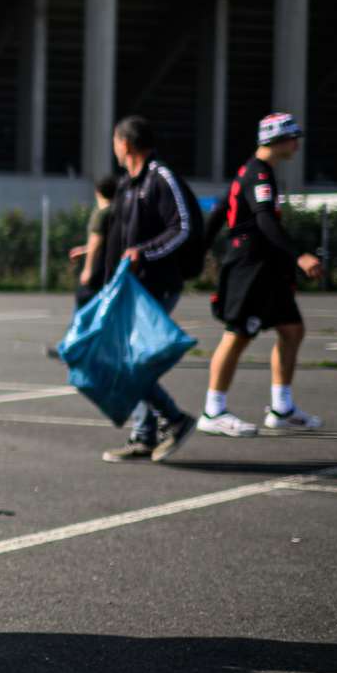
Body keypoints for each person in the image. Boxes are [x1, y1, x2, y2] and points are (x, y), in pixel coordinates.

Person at [199, 113, 326, 437]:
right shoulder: (258, 174)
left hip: (266, 269)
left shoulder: (251, 171)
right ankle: (212, 410)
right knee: (238, 334)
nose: (297, 144)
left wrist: (197, 250)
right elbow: (265, 220)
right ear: (277, 140)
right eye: (293, 137)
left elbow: (217, 213)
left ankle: (282, 409)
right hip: (250, 267)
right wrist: (299, 255)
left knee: (292, 330)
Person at [99, 116, 198, 464]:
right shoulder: (127, 183)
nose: (113, 148)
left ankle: (174, 419)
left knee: (131, 364)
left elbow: (183, 226)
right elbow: (121, 235)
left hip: (157, 285)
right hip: (128, 288)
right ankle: (144, 434)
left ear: (126, 144)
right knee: (125, 362)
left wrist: (146, 253)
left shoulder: (161, 178)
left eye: (114, 141)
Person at [73, 174, 120, 308]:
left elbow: (96, 242)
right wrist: (84, 250)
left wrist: (87, 270)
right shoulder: (119, 212)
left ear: (97, 192)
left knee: (84, 307)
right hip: (111, 270)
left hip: (97, 269)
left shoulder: (101, 214)